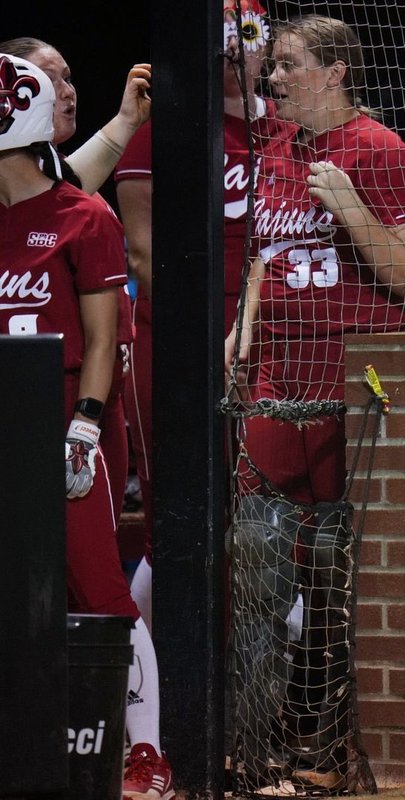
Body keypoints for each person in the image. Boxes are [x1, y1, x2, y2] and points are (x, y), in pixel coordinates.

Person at [225, 13, 405, 789]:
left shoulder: (382, 151)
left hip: (352, 385)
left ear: (337, 70)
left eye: (288, 64)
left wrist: (349, 206)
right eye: (273, 65)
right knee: (253, 560)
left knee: (336, 578)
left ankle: (329, 745)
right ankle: (252, 745)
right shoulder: (273, 150)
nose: (274, 78)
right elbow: (263, 257)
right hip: (276, 383)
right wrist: (242, 328)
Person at [0, 53, 172, 799]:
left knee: (100, 588)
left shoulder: (84, 215)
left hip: (66, 424)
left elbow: (104, 340)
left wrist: (85, 428)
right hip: (6, 424)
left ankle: (146, 752)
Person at [114, 0, 292, 631]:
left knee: (263, 505)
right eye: (222, 35)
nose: (234, 49)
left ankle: (266, 658)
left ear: (266, 44)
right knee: (175, 503)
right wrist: (205, 341)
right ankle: (156, 667)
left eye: (248, 33)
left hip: (271, 333)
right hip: (179, 339)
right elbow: (142, 256)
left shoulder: (291, 132)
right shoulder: (165, 131)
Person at [0, 37, 151, 194]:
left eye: (67, 79)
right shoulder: (15, 194)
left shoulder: (57, 174)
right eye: (48, 81)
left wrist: (127, 119)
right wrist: (125, 120)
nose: (68, 92)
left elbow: (67, 188)